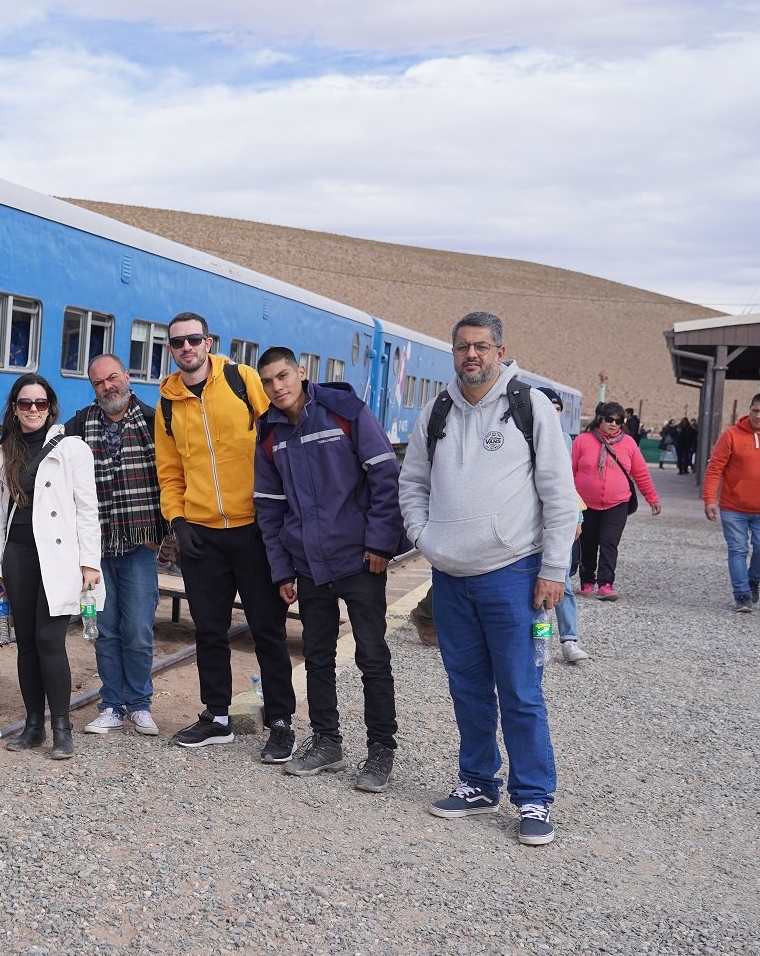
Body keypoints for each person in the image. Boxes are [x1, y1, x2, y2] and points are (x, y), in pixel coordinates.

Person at [399, 312, 578, 846]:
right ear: (452, 353)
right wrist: (424, 538)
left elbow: (559, 496)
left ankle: (533, 798)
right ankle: (478, 783)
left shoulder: (531, 409)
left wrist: (553, 569)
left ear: (500, 350)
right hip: (451, 576)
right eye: (461, 347)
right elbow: (412, 482)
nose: (470, 355)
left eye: (480, 346)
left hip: (514, 575)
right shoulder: (435, 412)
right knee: (468, 688)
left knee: (521, 690)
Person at [253, 346, 407, 792]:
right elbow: (269, 509)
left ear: (302, 373)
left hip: (359, 559)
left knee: (372, 656)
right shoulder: (269, 433)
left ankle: (381, 750)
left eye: (283, 376)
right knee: (316, 657)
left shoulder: (345, 412)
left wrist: (381, 542)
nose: (276, 387)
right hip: (308, 563)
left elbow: (384, 477)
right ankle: (327, 741)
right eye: (267, 381)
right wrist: (282, 571)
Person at [153, 312, 295, 757]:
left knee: (267, 628)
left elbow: (279, 437)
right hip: (201, 536)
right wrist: (177, 521)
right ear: (171, 350)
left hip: (253, 528)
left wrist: (283, 514)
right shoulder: (167, 404)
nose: (187, 348)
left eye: (194, 339)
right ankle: (216, 716)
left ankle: (282, 721)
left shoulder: (243, 380)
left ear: (208, 342)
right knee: (209, 630)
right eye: (178, 343)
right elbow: (169, 471)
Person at [0, 374, 103, 759]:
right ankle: (33, 724)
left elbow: (88, 510)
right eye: (24, 403)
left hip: (58, 557)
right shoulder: (2, 454)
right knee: (26, 645)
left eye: (39, 403)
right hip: (17, 555)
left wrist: (90, 562)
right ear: (14, 409)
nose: (32, 410)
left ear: (50, 406)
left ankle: (62, 728)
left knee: (50, 641)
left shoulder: (72, 449)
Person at [65, 354, 164, 737]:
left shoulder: (156, 422)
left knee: (138, 628)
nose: (107, 387)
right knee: (104, 628)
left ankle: (139, 704)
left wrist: (166, 535)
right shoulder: (78, 425)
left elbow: (172, 480)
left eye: (112, 378)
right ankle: (111, 704)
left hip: (141, 544)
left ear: (127, 376)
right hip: (94, 550)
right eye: (98, 383)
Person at [570, 401, 661, 601]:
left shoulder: (628, 443)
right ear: (599, 419)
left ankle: (606, 584)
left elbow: (641, 473)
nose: (614, 424)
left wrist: (652, 498)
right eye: (609, 419)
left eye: (619, 421)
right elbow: (569, 471)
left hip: (617, 503)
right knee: (588, 542)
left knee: (610, 542)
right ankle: (587, 581)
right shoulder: (582, 441)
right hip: (585, 504)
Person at [535, 388, 590, 664]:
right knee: (536, 591)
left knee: (563, 582)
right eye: (550, 406)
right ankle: (541, 641)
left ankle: (569, 640)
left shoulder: (565, 439)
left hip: (559, 521)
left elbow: (566, 483)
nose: (554, 412)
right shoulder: (524, 433)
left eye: (558, 408)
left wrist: (576, 517)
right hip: (531, 525)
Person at [702, 393, 760, 612]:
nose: (758, 416)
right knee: (738, 550)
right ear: (749, 410)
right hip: (734, 508)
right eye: (755, 410)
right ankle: (742, 595)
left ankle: (753, 580)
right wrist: (709, 499)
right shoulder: (731, 435)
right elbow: (715, 468)